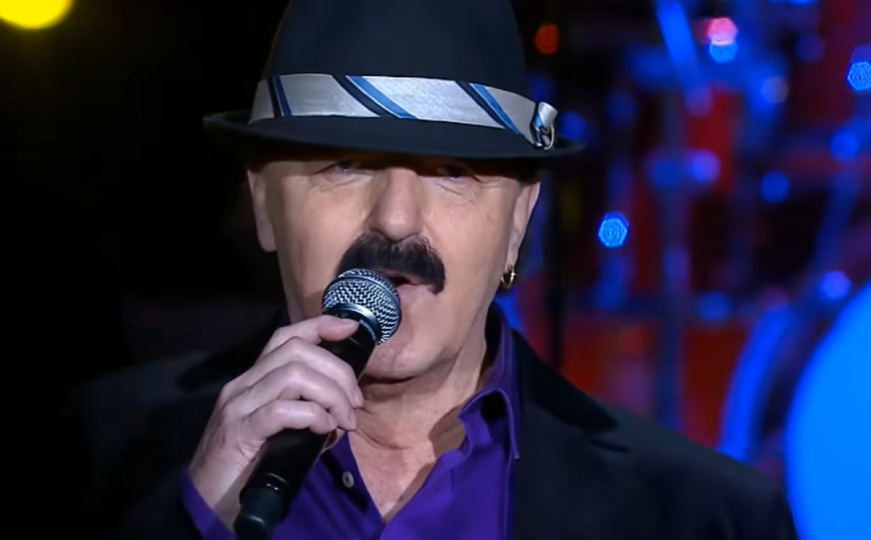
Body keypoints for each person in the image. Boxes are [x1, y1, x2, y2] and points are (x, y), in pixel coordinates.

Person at [109, 0, 799, 538]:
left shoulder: (708, 519)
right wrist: (191, 521)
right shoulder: (90, 451)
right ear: (263, 203)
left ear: (518, 222)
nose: (396, 220)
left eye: (451, 172)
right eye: (345, 165)